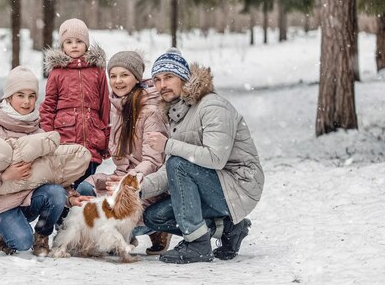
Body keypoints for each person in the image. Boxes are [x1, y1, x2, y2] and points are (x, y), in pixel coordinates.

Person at [141, 48, 264, 264]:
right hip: (214, 184)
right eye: (157, 79)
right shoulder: (177, 113)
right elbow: (172, 168)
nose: (162, 85)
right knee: (154, 216)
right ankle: (229, 229)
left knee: (179, 164)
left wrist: (168, 144)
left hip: (239, 184)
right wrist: (137, 188)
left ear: (184, 77)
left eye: (169, 77)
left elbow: (216, 158)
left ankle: (197, 245)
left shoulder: (212, 105)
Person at [0, 66, 89, 257]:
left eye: (31, 96)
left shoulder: (37, 130)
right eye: (20, 95)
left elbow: (51, 169)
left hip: (27, 199)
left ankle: (42, 236)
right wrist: (3, 177)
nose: (27, 102)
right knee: (21, 243)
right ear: (9, 96)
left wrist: (70, 196)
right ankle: (0, 231)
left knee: (55, 193)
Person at [75, 50, 172, 254]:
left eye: (124, 75)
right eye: (113, 76)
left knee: (121, 214)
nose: (117, 81)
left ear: (137, 78)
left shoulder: (151, 111)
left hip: (143, 182)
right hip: (121, 177)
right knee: (85, 189)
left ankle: (150, 230)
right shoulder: (118, 106)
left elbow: (153, 161)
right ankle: (115, 235)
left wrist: (124, 183)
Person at [40, 18, 110, 185]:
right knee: (67, 187)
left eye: (79, 41)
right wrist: (49, 138)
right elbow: (48, 107)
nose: (74, 45)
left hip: (92, 139)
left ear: (86, 44)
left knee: (86, 188)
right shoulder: (57, 73)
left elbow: (105, 106)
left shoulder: (97, 71)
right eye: (69, 42)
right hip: (65, 143)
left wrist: (105, 138)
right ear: (62, 46)